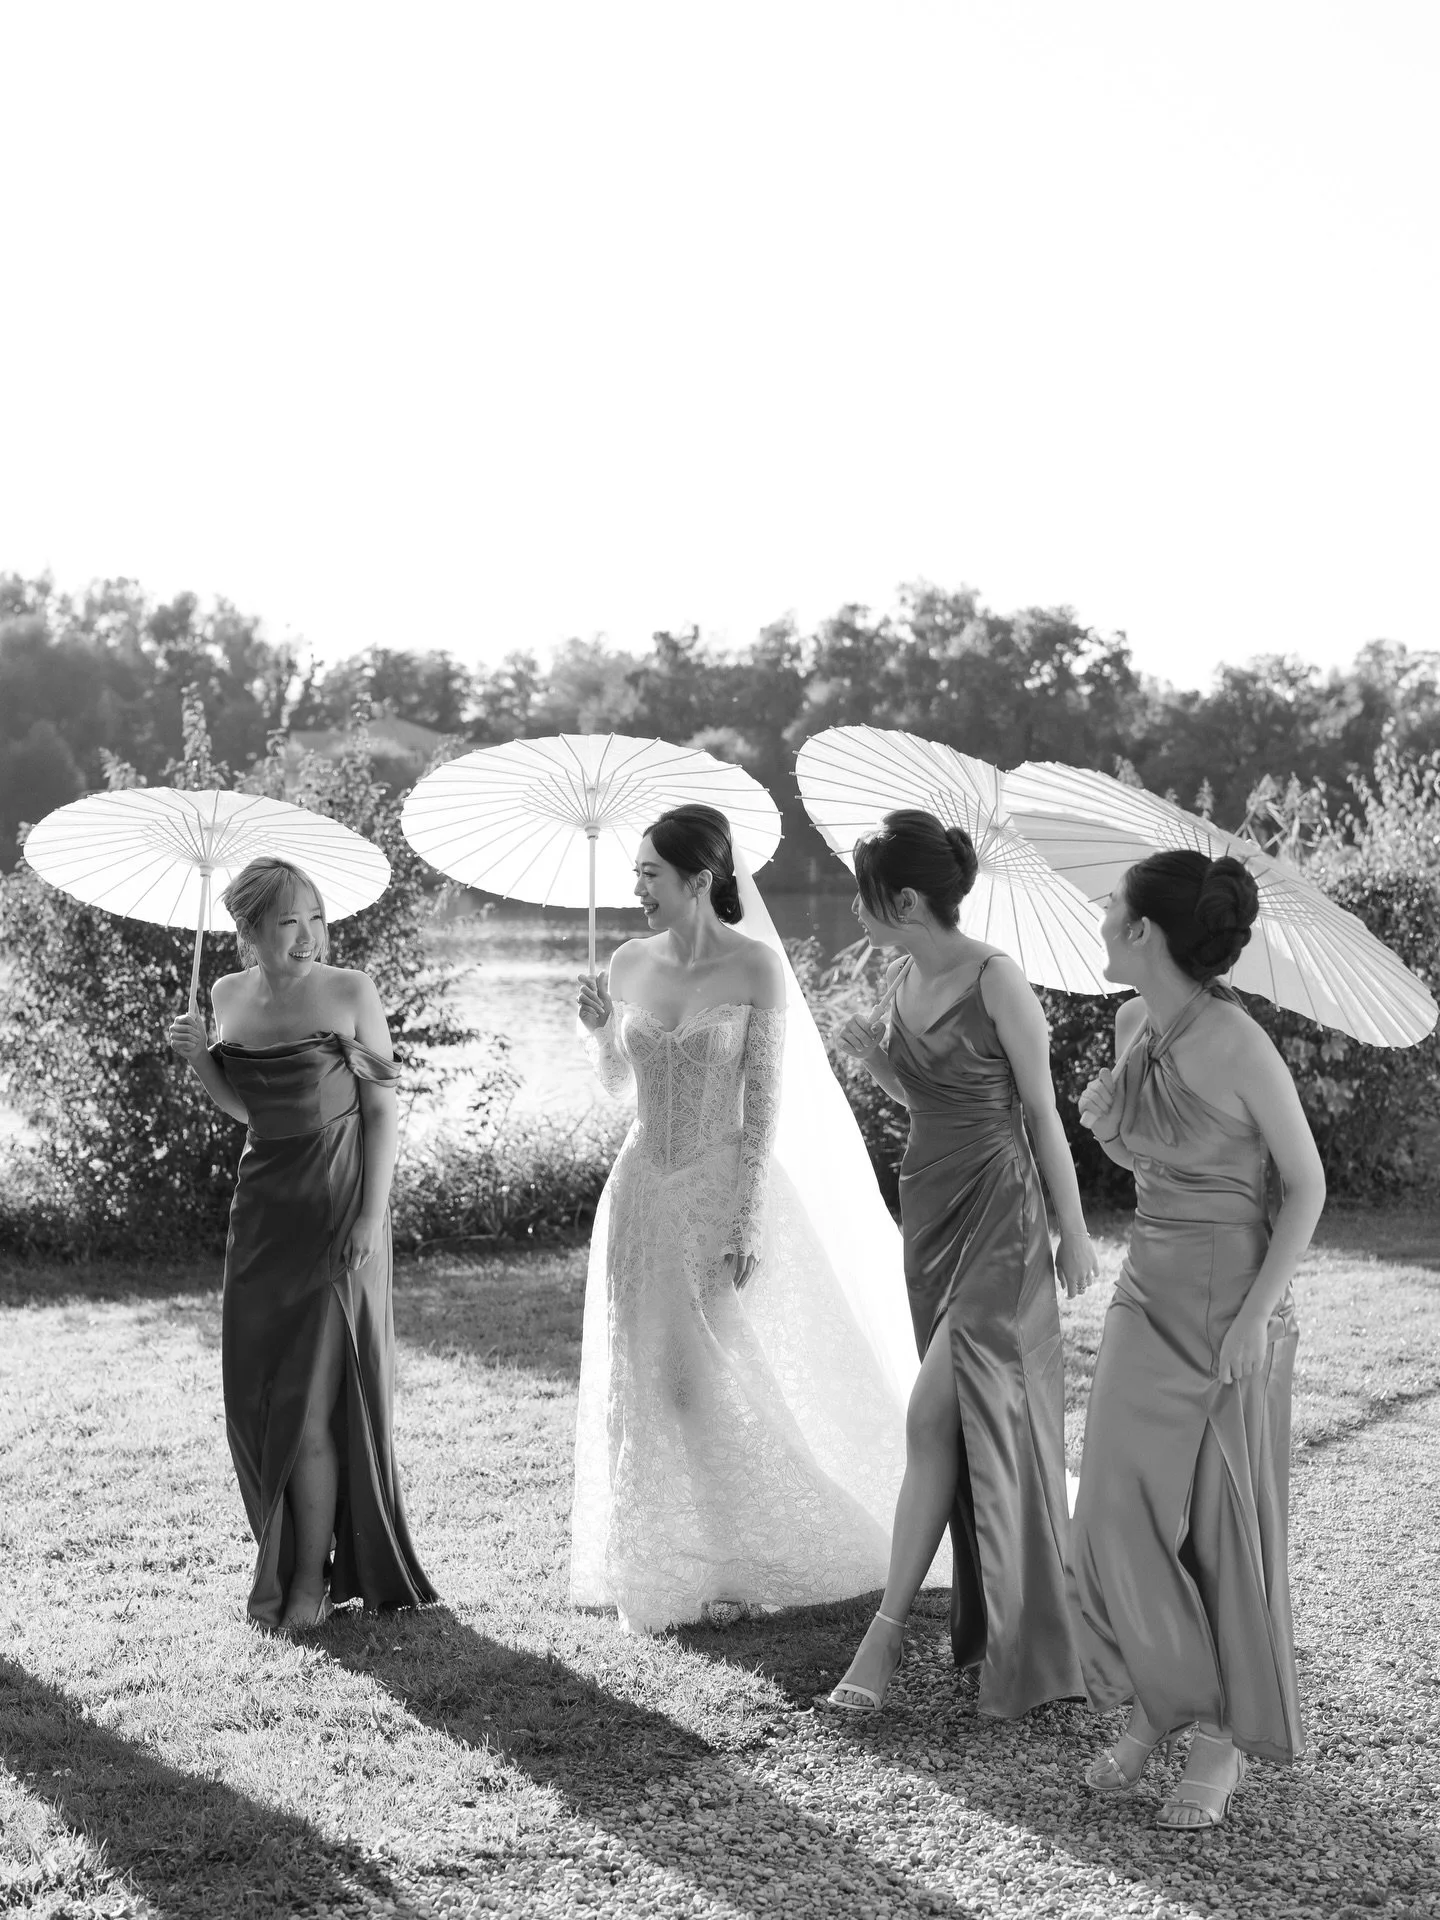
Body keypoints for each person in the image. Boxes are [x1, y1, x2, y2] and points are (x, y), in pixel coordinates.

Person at [571, 803, 918, 1632]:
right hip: (643, 1192)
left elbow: (763, 1109)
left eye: (651, 873)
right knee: (641, 1375)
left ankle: (733, 1556)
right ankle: (652, 1563)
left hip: (720, 1189)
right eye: (636, 874)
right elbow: (619, 1089)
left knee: (702, 1382)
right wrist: (595, 1033)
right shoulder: (625, 962)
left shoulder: (758, 969)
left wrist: (747, 1217)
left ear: (700, 879)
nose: (638, 888)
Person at [1068, 850, 1325, 1830]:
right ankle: (1167, 1700)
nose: (1098, 922)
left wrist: (1256, 1320)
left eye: (1111, 912)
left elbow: (1304, 1186)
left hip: (1230, 1299)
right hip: (1148, 1286)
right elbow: (1160, 1158)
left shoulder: (1239, 1042)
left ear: (1144, 935)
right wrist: (1117, 1129)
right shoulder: (1135, 1020)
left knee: (1219, 1528)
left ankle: (1216, 1737)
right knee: (1111, 1519)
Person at [822, 808, 1097, 1719]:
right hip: (929, 1210)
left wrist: (1075, 1229)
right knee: (951, 1425)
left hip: (1001, 1216)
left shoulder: (999, 980)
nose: (853, 912)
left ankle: (885, 1636)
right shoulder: (903, 976)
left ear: (905, 899)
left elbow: (1039, 1115)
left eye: (864, 897)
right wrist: (881, 1070)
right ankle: (1005, 1622)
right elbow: (931, 1095)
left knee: (931, 1409)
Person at [167, 855, 435, 1632]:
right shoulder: (225, 996)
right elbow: (246, 1108)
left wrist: (365, 1218)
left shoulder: (351, 992)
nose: (309, 936)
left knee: (314, 1407)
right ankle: (287, 1564)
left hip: (337, 1214)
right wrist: (198, 1060)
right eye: (290, 922)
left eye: (317, 918)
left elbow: (384, 1115)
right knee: (256, 1400)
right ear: (248, 930)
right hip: (261, 1218)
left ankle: (310, 1587)